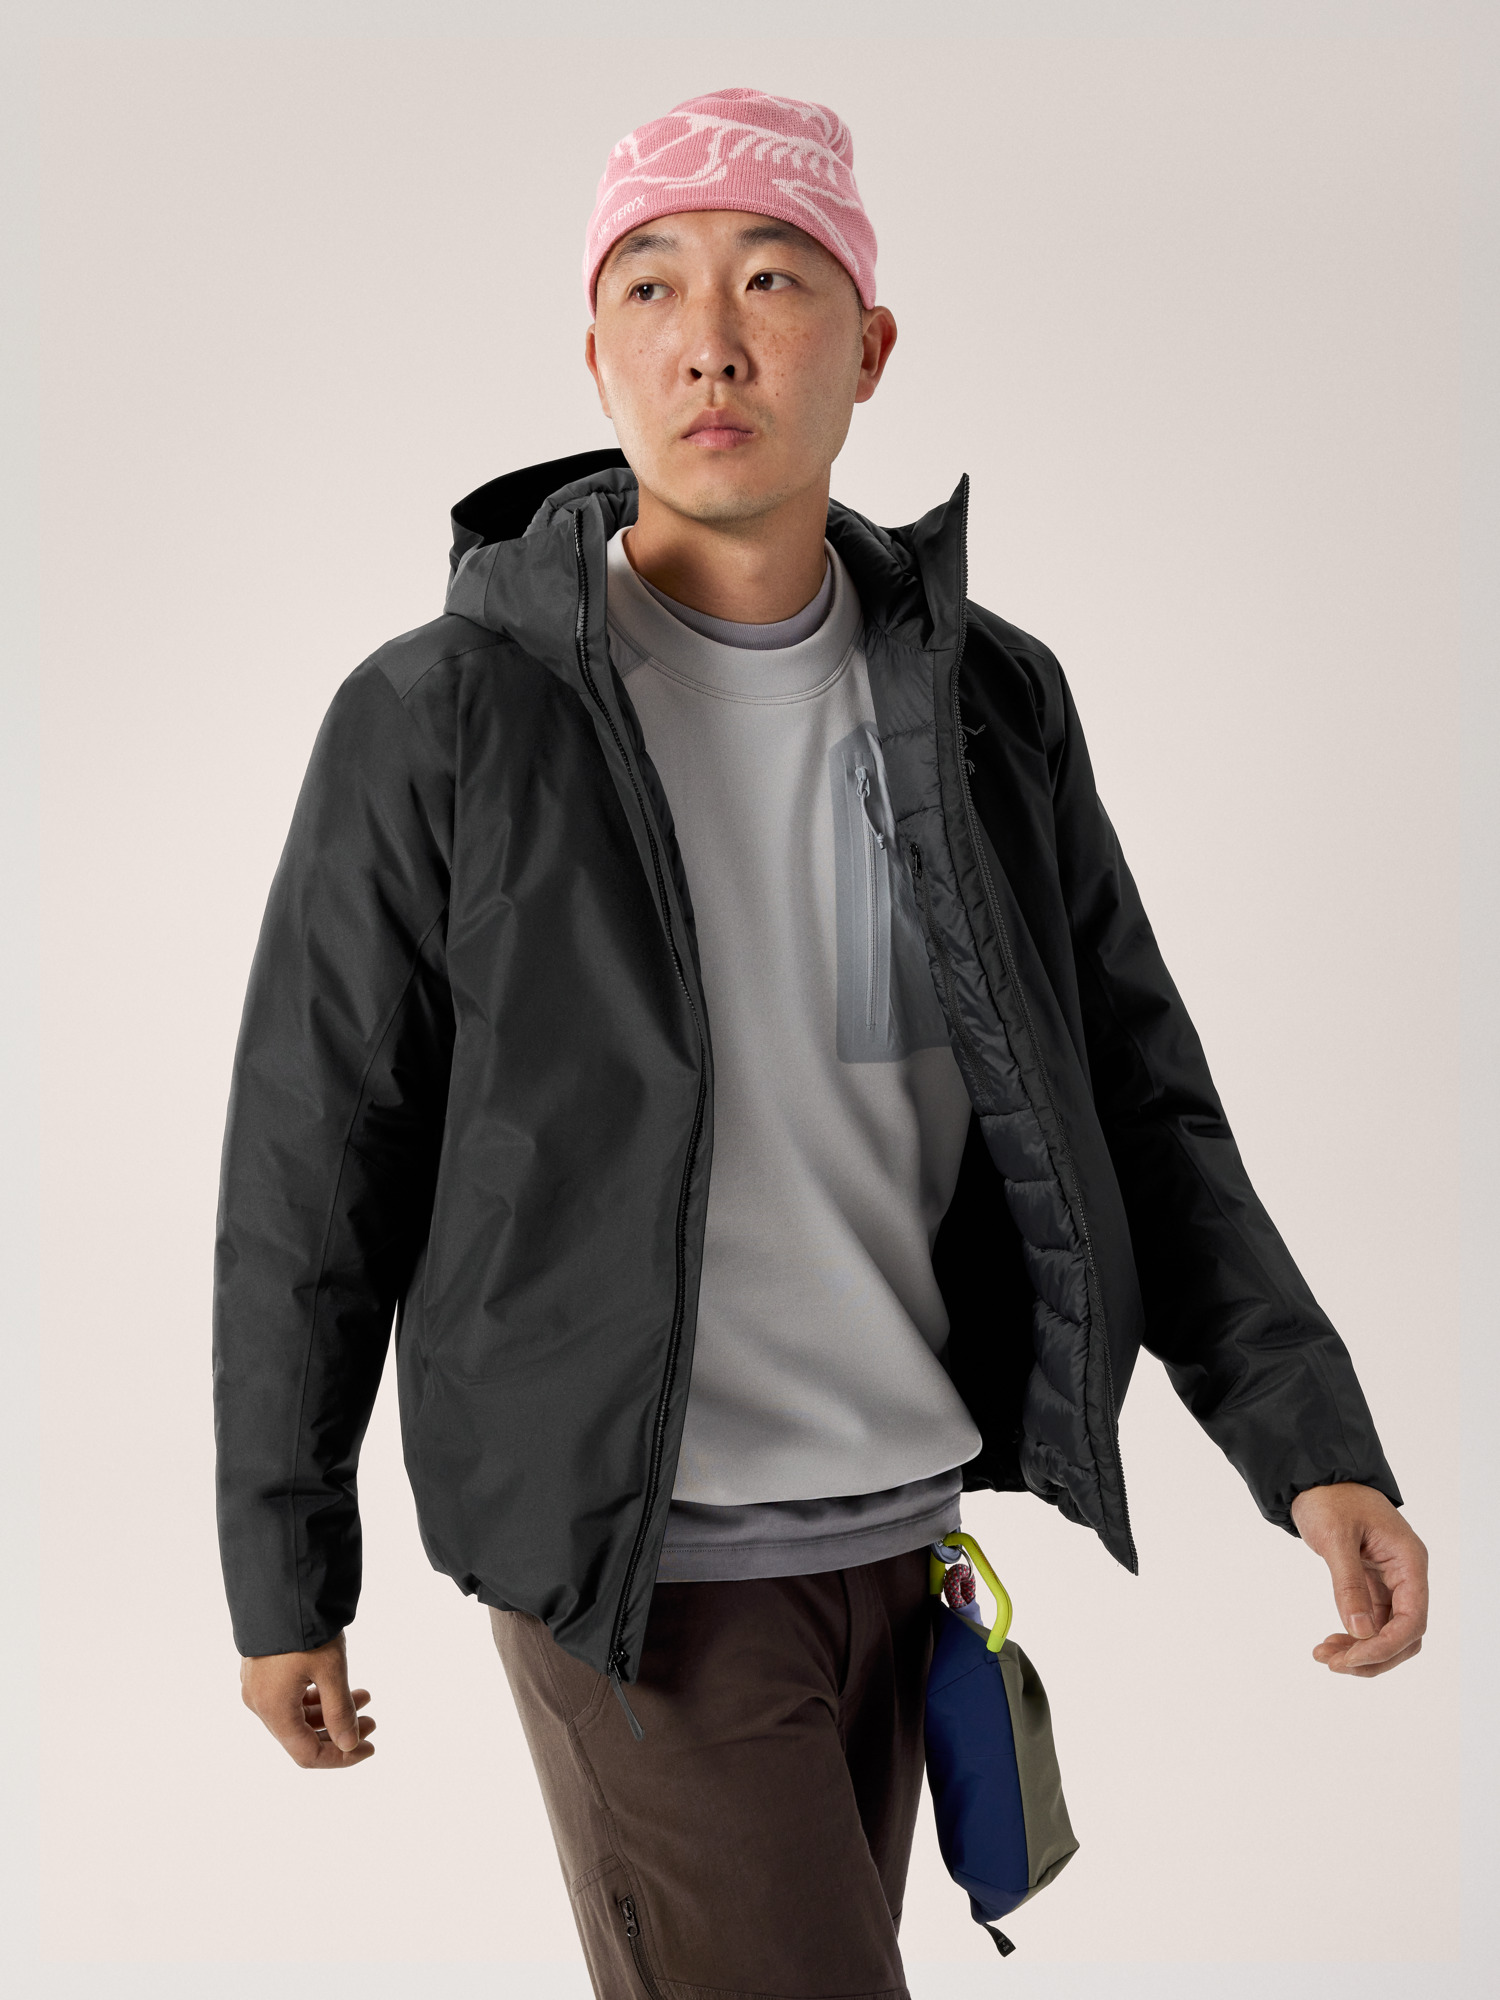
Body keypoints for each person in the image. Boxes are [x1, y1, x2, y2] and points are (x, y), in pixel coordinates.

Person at [214, 87, 1429, 2000]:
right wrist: (285, 1562)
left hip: (902, 1542)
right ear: (595, 354)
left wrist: (1309, 1445)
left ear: (869, 348)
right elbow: (315, 1157)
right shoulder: (444, 717)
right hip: (641, 1579)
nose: (710, 338)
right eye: (651, 287)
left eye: (774, 281)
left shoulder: (989, 702)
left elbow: (1138, 1096)